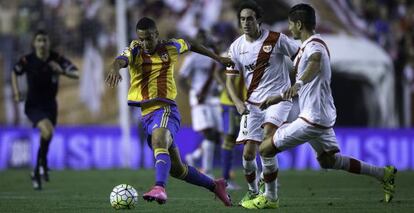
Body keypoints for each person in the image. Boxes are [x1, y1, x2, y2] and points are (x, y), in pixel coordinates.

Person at [242, 4, 397, 209]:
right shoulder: (305, 47)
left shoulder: (315, 45)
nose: (290, 28)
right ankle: (383, 174)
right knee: (328, 161)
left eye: (291, 24)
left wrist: (299, 83)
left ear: (299, 24)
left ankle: (270, 198)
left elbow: (315, 62)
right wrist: (277, 97)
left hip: (313, 117)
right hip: (318, 114)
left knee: (266, 148)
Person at [105, 17, 233, 206]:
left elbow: (192, 45)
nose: (145, 43)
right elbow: (120, 60)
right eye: (141, 38)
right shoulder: (134, 49)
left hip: (165, 109)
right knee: (177, 169)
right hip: (147, 114)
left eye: (149, 38)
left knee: (159, 141)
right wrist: (115, 68)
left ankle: (159, 187)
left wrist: (218, 57)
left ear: (157, 35)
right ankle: (216, 186)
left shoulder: (170, 47)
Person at [225, 1, 299, 205]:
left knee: (267, 142)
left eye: (249, 18)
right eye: (242, 19)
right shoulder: (236, 47)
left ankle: (270, 195)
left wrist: (298, 84)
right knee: (248, 154)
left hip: (278, 100)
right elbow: (230, 81)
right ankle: (253, 190)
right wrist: (238, 102)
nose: (246, 22)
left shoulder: (277, 39)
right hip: (252, 104)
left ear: (259, 20)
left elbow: (300, 57)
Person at [11, 30, 79, 190]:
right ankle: (42, 164)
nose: (42, 43)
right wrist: (16, 92)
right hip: (33, 105)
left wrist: (61, 71)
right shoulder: (27, 60)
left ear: (49, 43)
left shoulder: (56, 59)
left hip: (50, 106)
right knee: (47, 132)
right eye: (39, 40)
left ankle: (37, 170)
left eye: (45, 40)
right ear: (34, 43)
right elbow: (15, 72)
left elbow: (76, 73)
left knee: (47, 135)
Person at [178, 29, 222, 179]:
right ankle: (207, 171)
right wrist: (193, 91)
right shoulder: (192, 58)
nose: (202, 40)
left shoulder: (213, 55)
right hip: (199, 100)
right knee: (209, 134)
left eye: (204, 37)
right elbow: (181, 79)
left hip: (214, 99)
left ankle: (195, 156)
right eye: (199, 38)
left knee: (216, 136)